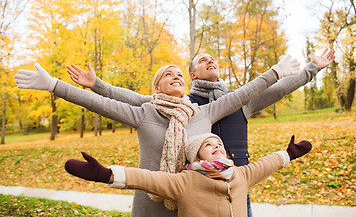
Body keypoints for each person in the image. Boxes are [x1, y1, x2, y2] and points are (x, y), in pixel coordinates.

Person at [14, 58, 299, 217]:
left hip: (197, 207)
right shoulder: (144, 112)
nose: (176, 76)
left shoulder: (204, 113)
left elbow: (244, 93)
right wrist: (53, 84)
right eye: (168, 74)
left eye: (179, 74)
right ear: (157, 86)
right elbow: (97, 104)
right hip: (151, 204)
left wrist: (275, 73)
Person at [66, 49, 335, 216]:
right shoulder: (183, 105)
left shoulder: (240, 101)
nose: (211, 61)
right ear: (192, 74)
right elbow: (133, 99)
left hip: (235, 185)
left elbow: (278, 88)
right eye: (202, 60)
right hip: (190, 190)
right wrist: (97, 85)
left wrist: (312, 69)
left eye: (213, 59)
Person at [64, 133, 312, 217]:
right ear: (197, 158)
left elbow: (267, 164)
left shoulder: (240, 174)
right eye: (209, 145)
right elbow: (146, 179)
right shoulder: (185, 181)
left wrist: (289, 153)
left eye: (219, 143)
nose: (217, 146)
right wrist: (105, 174)